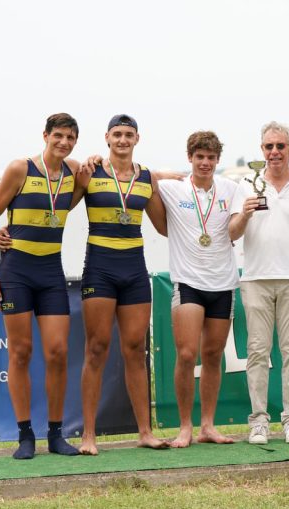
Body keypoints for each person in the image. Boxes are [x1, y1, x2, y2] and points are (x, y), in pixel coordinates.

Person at [0, 113, 82, 459]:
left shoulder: (74, 174)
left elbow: (105, 171)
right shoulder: (20, 169)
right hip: (16, 272)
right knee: (20, 353)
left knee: (58, 352)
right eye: (58, 136)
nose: (63, 143)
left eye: (70, 138)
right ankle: (25, 435)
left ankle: (56, 433)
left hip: (51, 271)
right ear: (45, 136)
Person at [77, 114, 168, 454]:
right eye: (117, 134)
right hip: (99, 270)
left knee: (135, 350)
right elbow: (57, 208)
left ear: (137, 139)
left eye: (128, 134)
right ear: (106, 138)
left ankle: (145, 431)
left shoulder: (146, 178)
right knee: (96, 349)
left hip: (134, 271)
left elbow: (165, 227)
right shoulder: (90, 172)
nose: (122, 140)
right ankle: (88, 435)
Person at [228, 121, 289, 444]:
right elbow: (231, 234)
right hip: (255, 279)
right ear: (262, 151)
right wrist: (245, 213)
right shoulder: (246, 185)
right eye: (269, 147)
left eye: (280, 146)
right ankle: (258, 421)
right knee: (257, 352)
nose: (274, 152)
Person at [155, 131, 238, 447]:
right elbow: (137, 175)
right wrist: (160, 173)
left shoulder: (231, 188)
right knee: (187, 354)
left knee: (214, 355)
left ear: (217, 160)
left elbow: (238, 225)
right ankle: (185, 426)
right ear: (190, 157)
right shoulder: (172, 188)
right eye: (199, 156)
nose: (205, 162)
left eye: (211, 157)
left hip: (224, 283)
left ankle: (208, 425)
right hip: (188, 282)